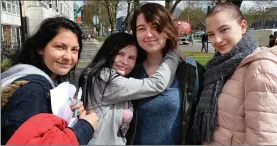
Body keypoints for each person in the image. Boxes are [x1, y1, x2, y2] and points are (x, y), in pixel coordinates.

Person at [1, 17, 99, 145]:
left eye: (74, 50)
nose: (68, 57)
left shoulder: (48, 82)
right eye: (60, 47)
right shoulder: (32, 92)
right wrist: (85, 127)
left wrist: (68, 112)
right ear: (40, 48)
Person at [191, 3, 277, 145]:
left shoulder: (260, 67)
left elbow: (263, 138)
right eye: (211, 34)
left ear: (242, 26)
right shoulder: (218, 65)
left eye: (224, 29)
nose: (217, 40)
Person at [78, 32, 180, 145]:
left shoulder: (119, 79)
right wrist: (173, 53)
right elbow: (157, 84)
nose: (125, 62)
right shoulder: (104, 78)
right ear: (108, 53)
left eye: (131, 58)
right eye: (120, 54)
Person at [126, 3, 205, 145]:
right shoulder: (129, 72)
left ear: (167, 30)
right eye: (141, 29)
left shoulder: (191, 70)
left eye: (156, 27)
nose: (148, 34)